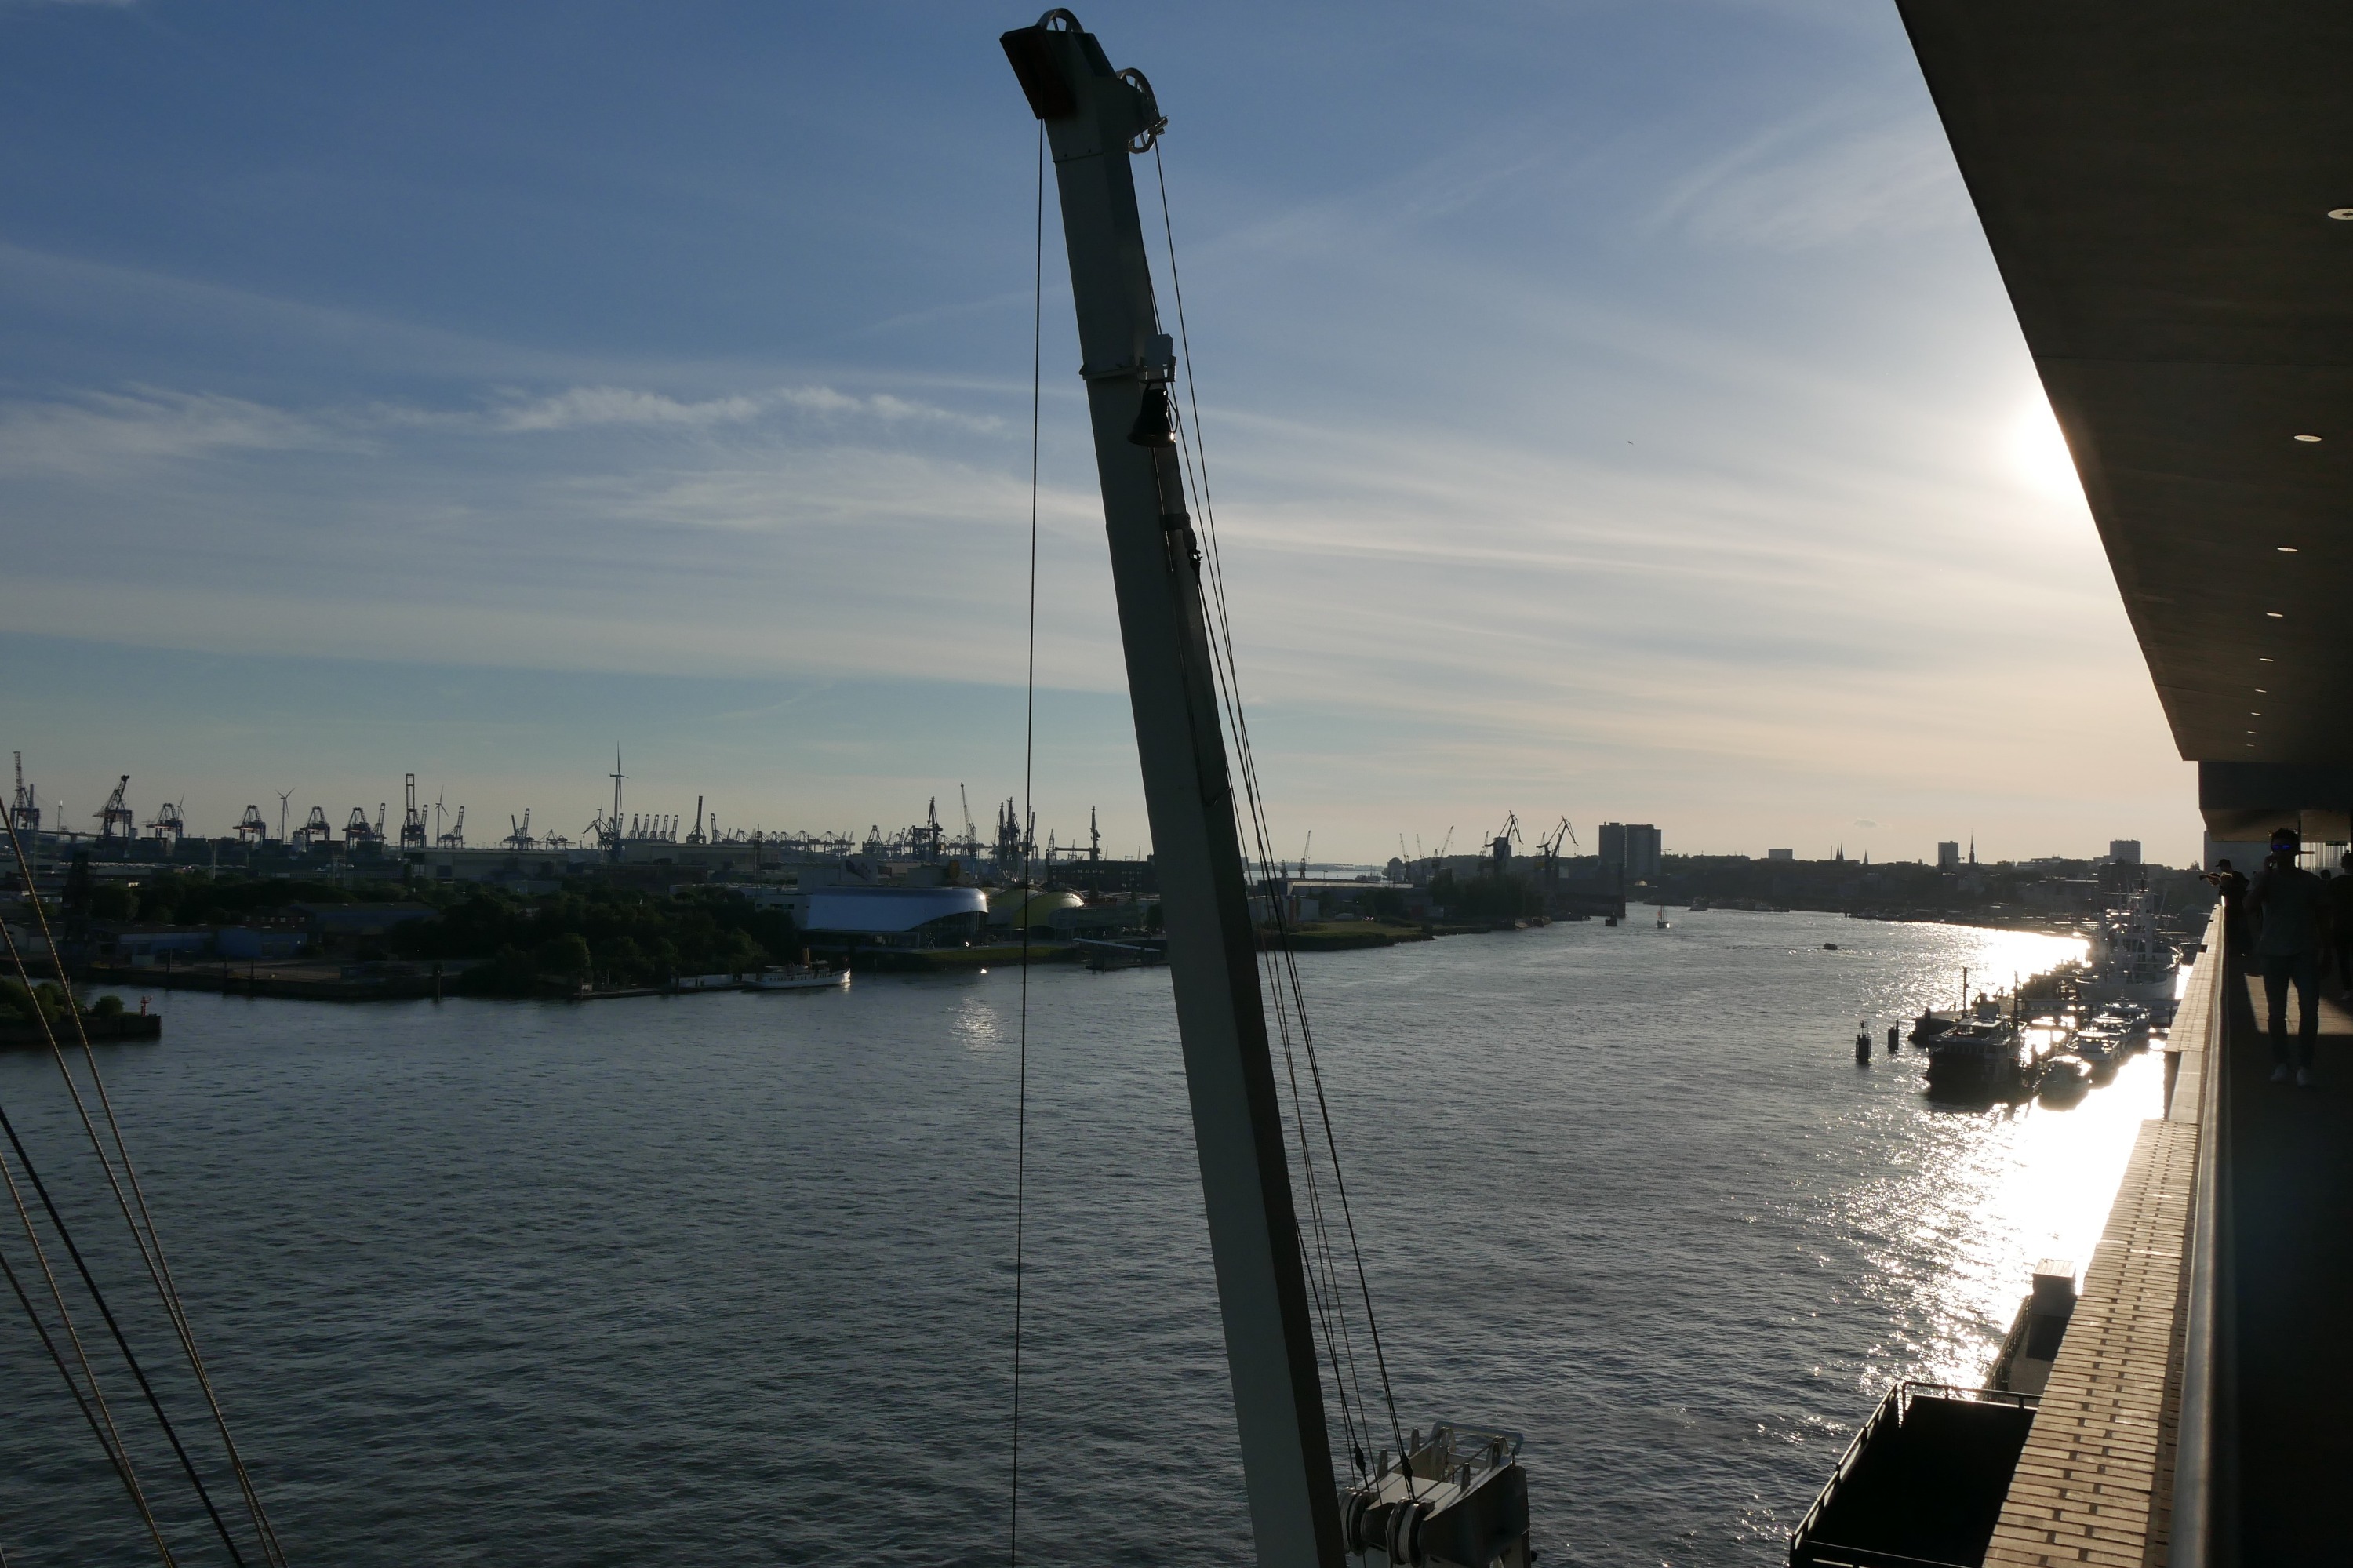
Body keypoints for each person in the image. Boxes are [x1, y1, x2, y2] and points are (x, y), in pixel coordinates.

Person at [2247, 835, 2333, 1085]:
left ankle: (2305, 1065)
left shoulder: (2311, 883)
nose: (2281, 852)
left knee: (2309, 1011)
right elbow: (2248, 906)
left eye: (2285, 847)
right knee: (2276, 1013)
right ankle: (2281, 1063)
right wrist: (2264, 876)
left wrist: (2328, 952)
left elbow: (2323, 919)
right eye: (2276, 847)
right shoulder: (2265, 881)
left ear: (2296, 850)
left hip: (2304, 953)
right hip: (2273, 954)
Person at [2204, 858, 2250, 964]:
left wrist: (2231, 890)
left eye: (2221, 866)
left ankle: (2242, 950)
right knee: (2237, 929)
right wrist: (2207, 876)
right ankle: (2239, 950)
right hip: (2235, 907)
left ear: (2225, 866)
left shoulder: (2236, 875)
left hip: (2237, 906)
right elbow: (2219, 880)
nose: (2220, 869)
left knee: (2239, 929)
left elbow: (2245, 885)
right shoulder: (2226, 877)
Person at [2331, 851, 2353, 1002]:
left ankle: (2348, 988)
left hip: (2341, 925)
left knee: (2343, 958)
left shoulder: (2335, 883)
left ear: (2343, 865)